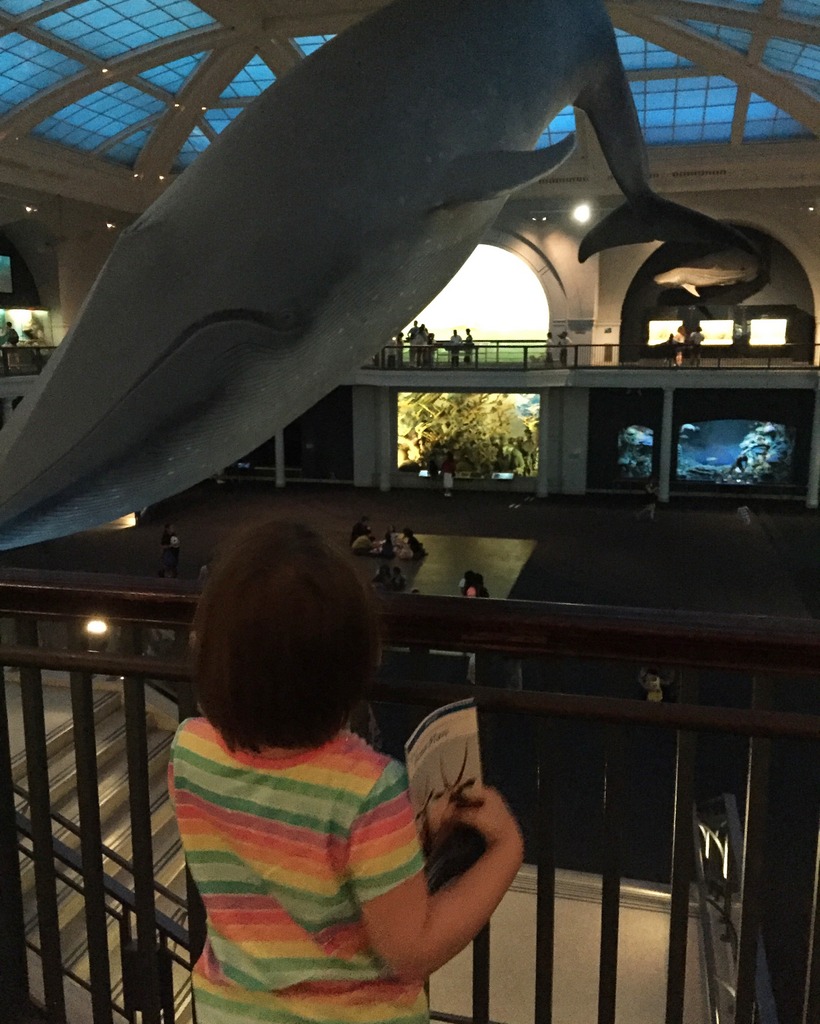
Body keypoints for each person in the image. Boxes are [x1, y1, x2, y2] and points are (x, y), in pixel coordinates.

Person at [169, 521, 523, 1024]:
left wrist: (405, 840)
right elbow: (413, 950)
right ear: (355, 662)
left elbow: (285, 849)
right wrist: (506, 849)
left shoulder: (190, 749)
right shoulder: (369, 791)